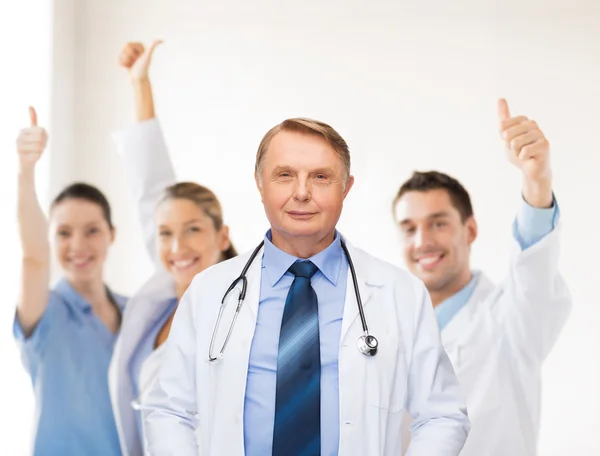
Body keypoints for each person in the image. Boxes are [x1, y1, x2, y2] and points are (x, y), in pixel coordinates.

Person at [141, 116, 471, 455]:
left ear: (346, 187)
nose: (302, 193)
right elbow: (168, 410)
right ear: (260, 184)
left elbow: (441, 416)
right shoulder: (209, 291)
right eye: (284, 175)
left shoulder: (399, 293)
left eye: (321, 177)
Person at [393, 99, 572, 456]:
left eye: (438, 223)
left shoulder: (511, 320)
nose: (422, 241)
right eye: (409, 228)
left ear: (470, 230)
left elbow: (533, 273)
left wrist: (536, 181)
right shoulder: (391, 328)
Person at [108, 40, 237, 456]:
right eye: (165, 234)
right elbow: (150, 189)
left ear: (221, 236)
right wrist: (139, 84)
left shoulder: (241, 313)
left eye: (193, 229)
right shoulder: (163, 301)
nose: (177, 246)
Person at [13, 107, 127, 456]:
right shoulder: (45, 312)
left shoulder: (135, 310)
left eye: (92, 231)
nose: (78, 246)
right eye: (63, 233)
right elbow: (33, 256)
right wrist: (25, 172)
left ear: (112, 235)